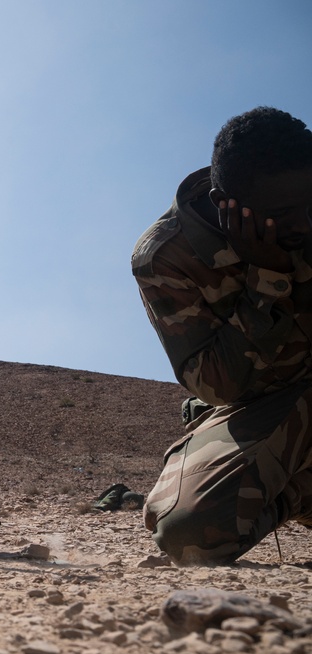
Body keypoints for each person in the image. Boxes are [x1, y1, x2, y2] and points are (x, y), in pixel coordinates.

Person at [131, 106, 312, 565]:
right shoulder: (168, 256)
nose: (304, 223)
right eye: (284, 213)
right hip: (266, 405)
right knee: (191, 532)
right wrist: (266, 278)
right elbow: (218, 383)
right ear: (225, 202)